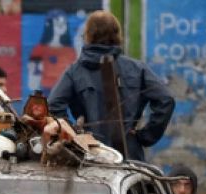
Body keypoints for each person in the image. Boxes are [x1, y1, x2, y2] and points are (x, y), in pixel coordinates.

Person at [48, 10, 174, 162]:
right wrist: (145, 136)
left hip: (90, 155)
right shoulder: (137, 69)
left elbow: (53, 105)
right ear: (117, 35)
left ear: (87, 35)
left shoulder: (75, 72)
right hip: (130, 155)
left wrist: (74, 136)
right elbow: (166, 99)